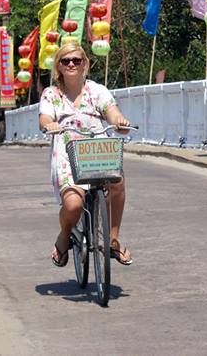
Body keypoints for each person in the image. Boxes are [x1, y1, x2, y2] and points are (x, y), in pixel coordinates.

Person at [38, 42, 133, 268]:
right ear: (58, 67)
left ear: (84, 65)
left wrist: (119, 121)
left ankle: (113, 240)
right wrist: (50, 124)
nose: (71, 64)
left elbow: (111, 111)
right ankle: (64, 235)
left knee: (117, 181)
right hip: (67, 152)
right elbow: (44, 118)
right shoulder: (51, 94)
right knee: (73, 205)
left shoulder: (97, 90)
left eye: (76, 60)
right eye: (65, 61)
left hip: (97, 150)